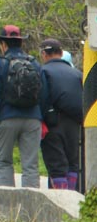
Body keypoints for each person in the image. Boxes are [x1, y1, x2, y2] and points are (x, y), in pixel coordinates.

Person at [0, 25, 47, 188]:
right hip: (33, 119)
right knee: (30, 165)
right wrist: (43, 116)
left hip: (8, 118)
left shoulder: (0, 64)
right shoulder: (34, 63)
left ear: (3, 44)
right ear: (21, 43)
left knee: (4, 161)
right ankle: (31, 209)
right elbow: (44, 92)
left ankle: (7, 208)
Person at [39, 38, 84, 190]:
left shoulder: (44, 72)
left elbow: (42, 99)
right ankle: (73, 200)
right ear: (60, 52)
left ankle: (61, 203)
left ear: (44, 54)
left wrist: (40, 119)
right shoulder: (77, 74)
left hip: (52, 125)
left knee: (56, 164)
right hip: (74, 125)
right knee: (72, 164)